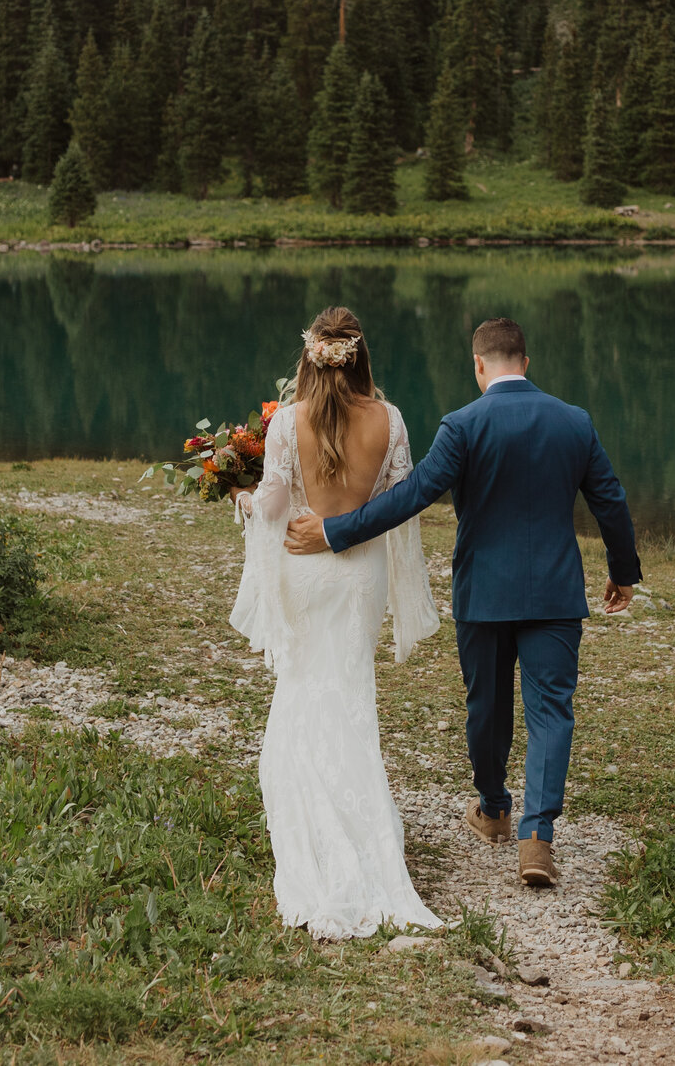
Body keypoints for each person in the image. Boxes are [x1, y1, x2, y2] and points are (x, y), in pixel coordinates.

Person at [287, 316, 637, 889]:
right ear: (525, 362)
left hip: (483, 593)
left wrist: (335, 531)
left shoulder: (463, 425)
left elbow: (413, 495)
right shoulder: (574, 421)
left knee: (486, 705)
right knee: (552, 711)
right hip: (554, 592)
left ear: (479, 366)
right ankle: (538, 838)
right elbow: (611, 501)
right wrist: (622, 573)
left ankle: (494, 808)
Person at [228, 306, 442, 938]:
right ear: (360, 354)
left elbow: (271, 501)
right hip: (360, 574)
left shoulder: (288, 423)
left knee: (301, 687)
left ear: (310, 357)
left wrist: (237, 497)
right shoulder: (390, 419)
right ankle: (365, 833)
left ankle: (319, 836)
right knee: (350, 694)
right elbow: (399, 498)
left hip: (302, 564)